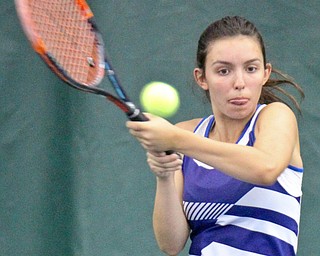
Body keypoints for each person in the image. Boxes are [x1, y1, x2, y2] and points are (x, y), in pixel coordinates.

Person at [127, 16, 304, 256]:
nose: (239, 82)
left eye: (251, 68)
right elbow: (170, 244)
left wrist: (174, 139)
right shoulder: (187, 133)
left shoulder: (276, 117)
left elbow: (265, 168)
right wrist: (165, 174)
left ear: (265, 72)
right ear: (202, 78)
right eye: (223, 71)